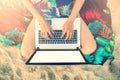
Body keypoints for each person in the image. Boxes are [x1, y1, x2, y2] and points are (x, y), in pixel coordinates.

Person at [21, 0, 115, 64]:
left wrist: (70, 21)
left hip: (69, 14)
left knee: (90, 47)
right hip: (43, 15)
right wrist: (41, 21)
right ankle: (59, 58)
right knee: (26, 52)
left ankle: (58, 58)